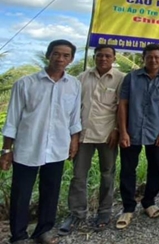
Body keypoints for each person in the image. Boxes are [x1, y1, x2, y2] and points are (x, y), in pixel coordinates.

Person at [1, 39, 81, 244]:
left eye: (66, 55)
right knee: (21, 194)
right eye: (56, 54)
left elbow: (73, 118)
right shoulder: (26, 83)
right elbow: (12, 119)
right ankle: (18, 235)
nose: (60, 59)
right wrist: (6, 150)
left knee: (51, 191)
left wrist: (74, 141)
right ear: (48, 55)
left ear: (71, 59)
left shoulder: (74, 85)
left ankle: (43, 231)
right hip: (29, 147)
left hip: (57, 148)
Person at [59, 45, 125, 235]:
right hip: (84, 134)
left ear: (113, 58)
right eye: (99, 55)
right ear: (94, 57)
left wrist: (117, 129)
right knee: (78, 176)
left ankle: (104, 212)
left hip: (107, 135)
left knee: (107, 174)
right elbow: (74, 108)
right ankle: (77, 214)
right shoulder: (82, 78)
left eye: (107, 56)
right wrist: (73, 135)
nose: (103, 58)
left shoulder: (121, 78)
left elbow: (122, 107)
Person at [116, 44, 159, 229]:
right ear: (144, 58)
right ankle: (128, 208)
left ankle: (149, 202)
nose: (153, 60)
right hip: (132, 132)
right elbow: (123, 104)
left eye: (157, 57)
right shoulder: (131, 78)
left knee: (156, 168)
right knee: (128, 169)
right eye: (149, 57)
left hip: (155, 132)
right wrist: (123, 131)